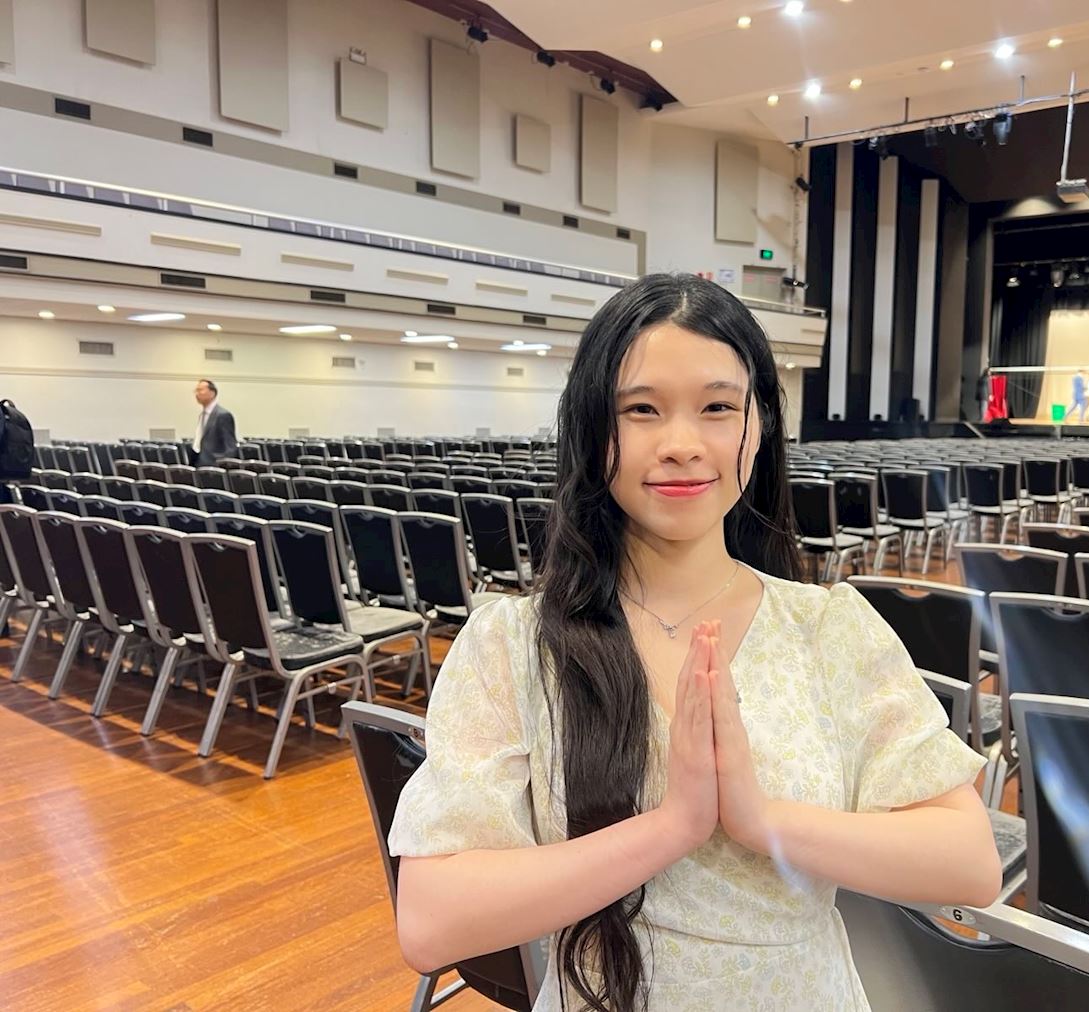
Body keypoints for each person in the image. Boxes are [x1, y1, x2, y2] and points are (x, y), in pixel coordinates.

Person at [387, 274, 1000, 1011]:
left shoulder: (828, 628)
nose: (681, 445)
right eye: (641, 410)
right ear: (592, 428)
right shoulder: (514, 643)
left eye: (717, 407)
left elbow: (969, 863)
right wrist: (672, 827)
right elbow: (432, 920)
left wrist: (760, 820)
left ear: (758, 426)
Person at [191, 378, 237, 466]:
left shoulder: (223, 415)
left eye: (200, 390)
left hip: (213, 466)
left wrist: (220, 465)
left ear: (212, 393)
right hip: (199, 463)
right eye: (196, 391)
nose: (197, 394)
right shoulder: (202, 415)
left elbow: (230, 447)